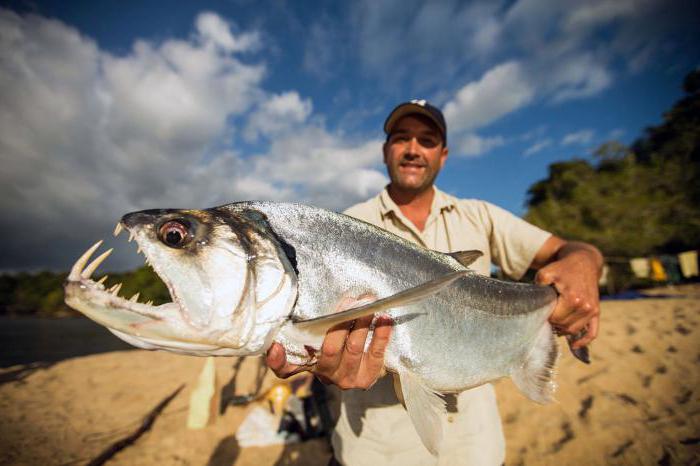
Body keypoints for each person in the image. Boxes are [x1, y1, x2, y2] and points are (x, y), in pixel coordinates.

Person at [266, 100, 603, 465]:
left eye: (426, 140)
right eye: (401, 138)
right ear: (385, 151)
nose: (413, 149)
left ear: (443, 155)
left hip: (477, 448)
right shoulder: (347, 227)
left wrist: (584, 264)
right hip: (375, 451)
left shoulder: (480, 216)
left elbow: (570, 251)